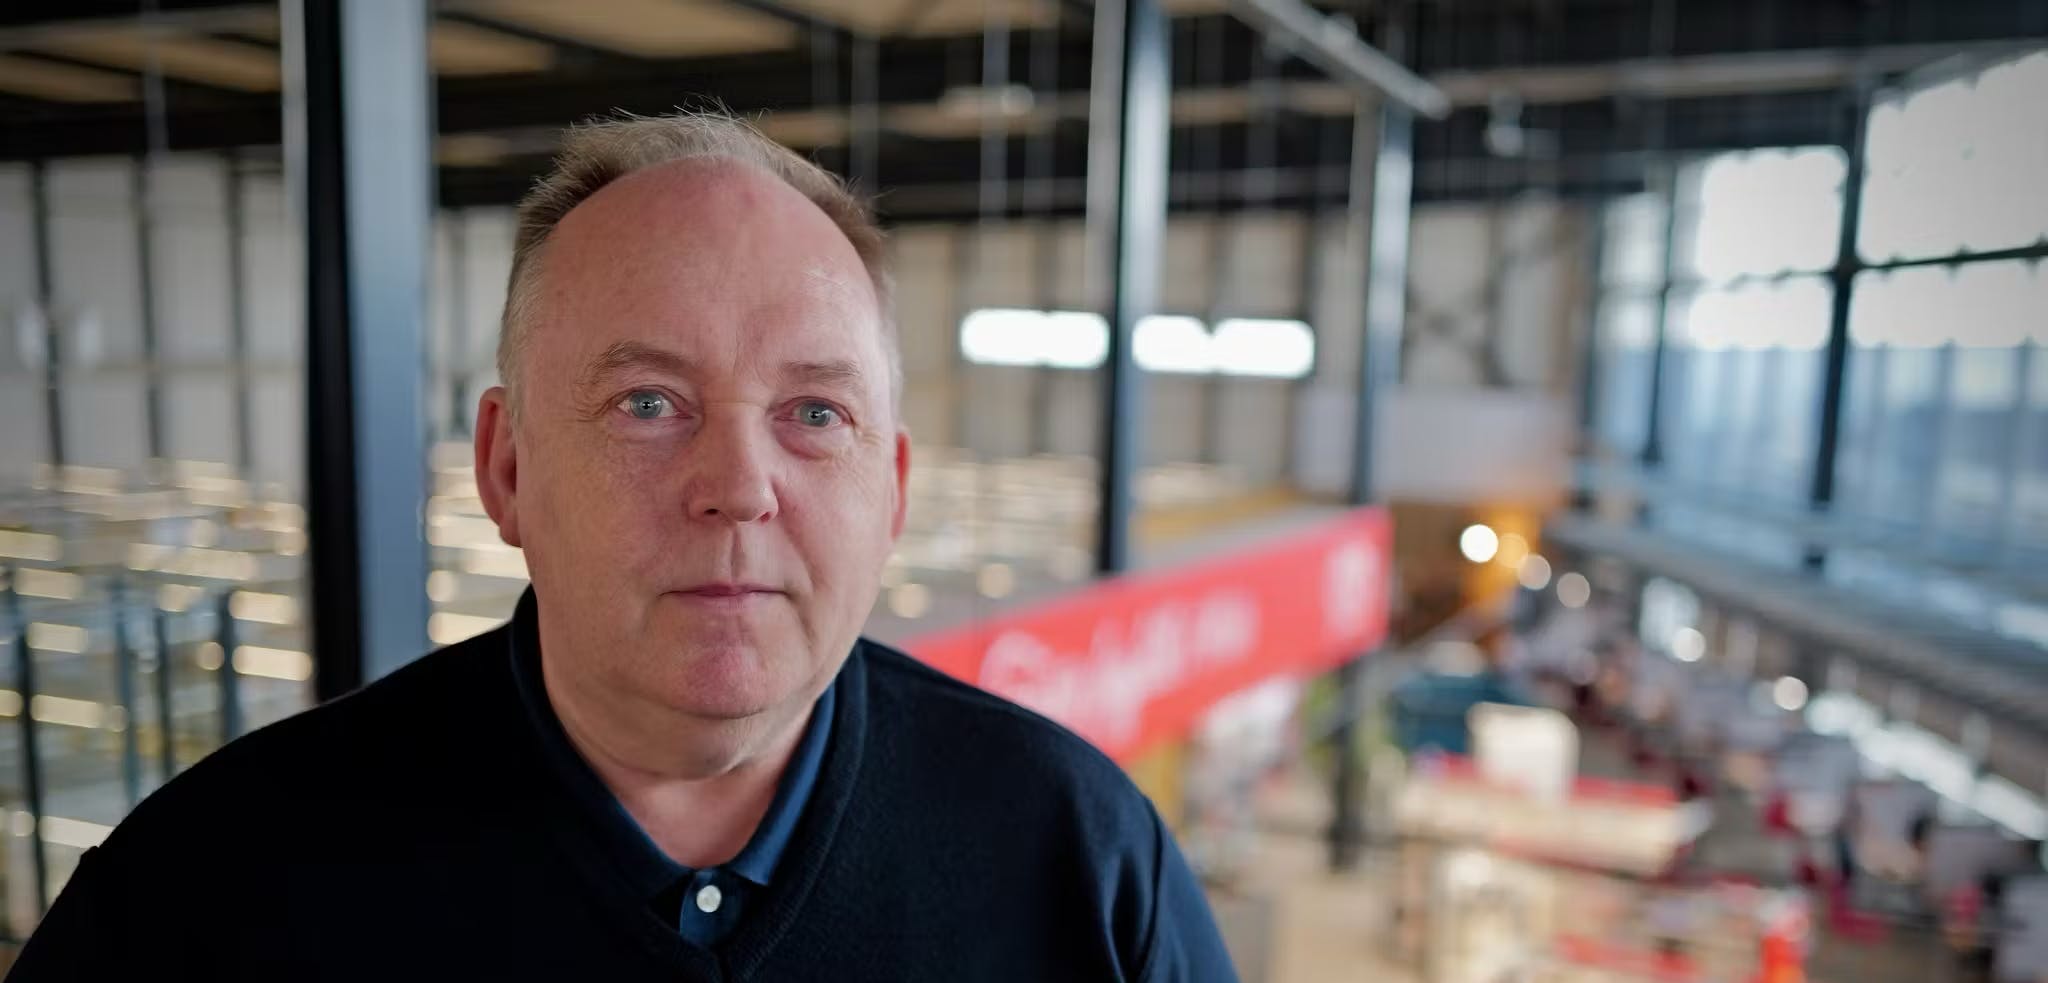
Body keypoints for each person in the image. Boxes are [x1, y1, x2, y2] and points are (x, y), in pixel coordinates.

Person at [10, 112, 1237, 982]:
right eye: (648, 402)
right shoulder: (209, 889)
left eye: (816, 413)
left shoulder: (1077, 855)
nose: (739, 488)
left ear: (894, 491)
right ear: (507, 468)